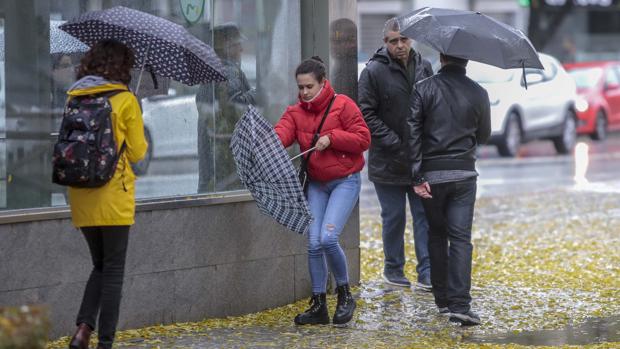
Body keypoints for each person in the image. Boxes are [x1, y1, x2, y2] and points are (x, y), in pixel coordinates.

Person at [275, 56, 370, 325]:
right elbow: (282, 134)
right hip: (317, 184)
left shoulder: (343, 105)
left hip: (345, 181)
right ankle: (318, 304)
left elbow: (364, 139)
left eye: (309, 87)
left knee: (328, 238)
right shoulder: (295, 112)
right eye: (300, 87)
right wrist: (267, 142)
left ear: (322, 83)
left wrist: (333, 138)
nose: (304, 92)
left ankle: (344, 295)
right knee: (314, 243)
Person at [67, 39, 148, 349]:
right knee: (113, 269)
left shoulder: (74, 95)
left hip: (80, 192)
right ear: (121, 67)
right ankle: (105, 342)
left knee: (100, 265)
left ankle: (82, 330)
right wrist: (134, 114)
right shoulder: (125, 99)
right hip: (113, 193)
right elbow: (139, 153)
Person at [407, 53, 491, 326]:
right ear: (467, 60)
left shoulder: (423, 88)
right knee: (460, 239)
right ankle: (460, 305)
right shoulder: (479, 92)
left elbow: (413, 132)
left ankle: (442, 300)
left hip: (432, 174)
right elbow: (485, 135)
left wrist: (417, 175)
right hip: (464, 174)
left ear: (442, 57)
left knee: (436, 234)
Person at [358, 17, 434, 290]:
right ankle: (393, 270)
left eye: (404, 39)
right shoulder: (373, 72)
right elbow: (365, 113)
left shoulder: (425, 66)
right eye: (394, 41)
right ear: (385, 43)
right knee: (393, 217)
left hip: (418, 160)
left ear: (411, 39)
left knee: (423, 216)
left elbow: (432, 106)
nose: (400, 45)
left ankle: (426, 272)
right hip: (388, 161)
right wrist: (396, 143)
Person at [197, 22, 256, 193]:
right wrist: (257, 94)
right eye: (238, 45)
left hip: (213, 149)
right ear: (227, 47)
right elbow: (234, 108)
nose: (241, 50)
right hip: (226, 150)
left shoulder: (210, 70)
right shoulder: (230, 71)